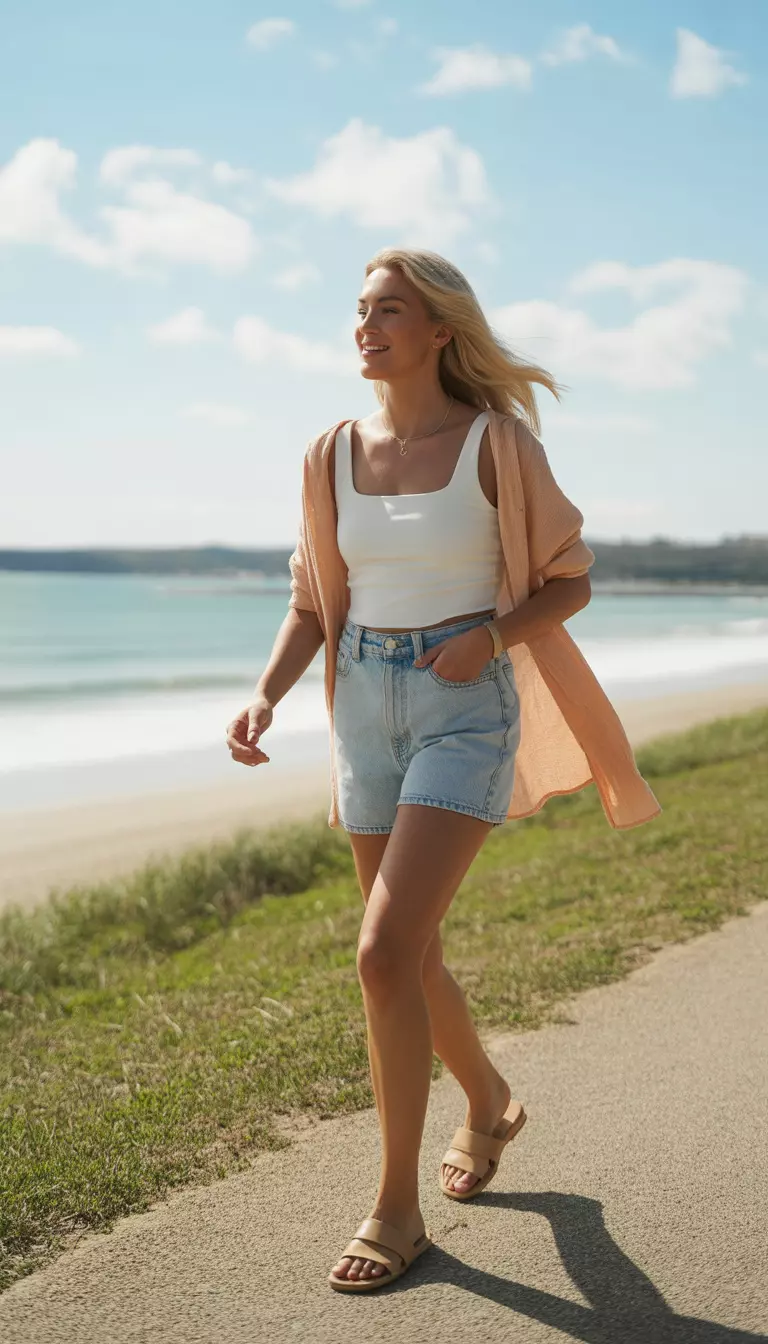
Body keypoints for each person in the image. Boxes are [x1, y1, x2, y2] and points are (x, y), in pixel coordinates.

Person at [225, 247, 660, 1293]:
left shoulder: (496, 444)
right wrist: (267, 693)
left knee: (382, 952)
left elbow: (570, 581)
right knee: (412, 958)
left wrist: (491, 637)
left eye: (390, 311)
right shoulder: (330, 452)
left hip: (464, 707)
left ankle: (397, 1208)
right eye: (361, 309)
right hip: (363, 707)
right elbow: (311, 600)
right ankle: (491, 1102)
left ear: (440, 332)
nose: (367, 327)